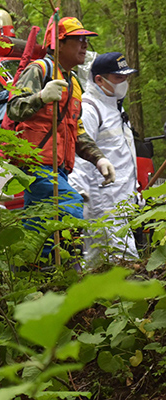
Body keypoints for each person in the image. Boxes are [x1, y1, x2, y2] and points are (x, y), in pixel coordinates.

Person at [6, 16, 114, 259]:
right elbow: (13, 108)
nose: (85, 45)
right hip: (34, 165)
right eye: (78, 40)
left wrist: (99, 159)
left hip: (59, 169)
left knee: (37, 228)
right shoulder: (39, 70)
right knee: (70, 206)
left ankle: (33, 273)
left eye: (86, 40)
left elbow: (76, 131)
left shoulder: (74, 82)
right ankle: (68, 268)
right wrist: (41, 97)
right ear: (59, 44)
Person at [68, 52, 140, 266]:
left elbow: (123, 155)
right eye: (119, 78)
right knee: (112, 266)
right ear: (99, 79)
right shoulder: (89, 110)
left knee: (113, 266)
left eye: (126, 77)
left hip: (122, 203)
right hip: (103, 204)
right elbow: (80, 157)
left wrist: (134, 189)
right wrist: (78, 199)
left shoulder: (116, 107)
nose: (124, 82)